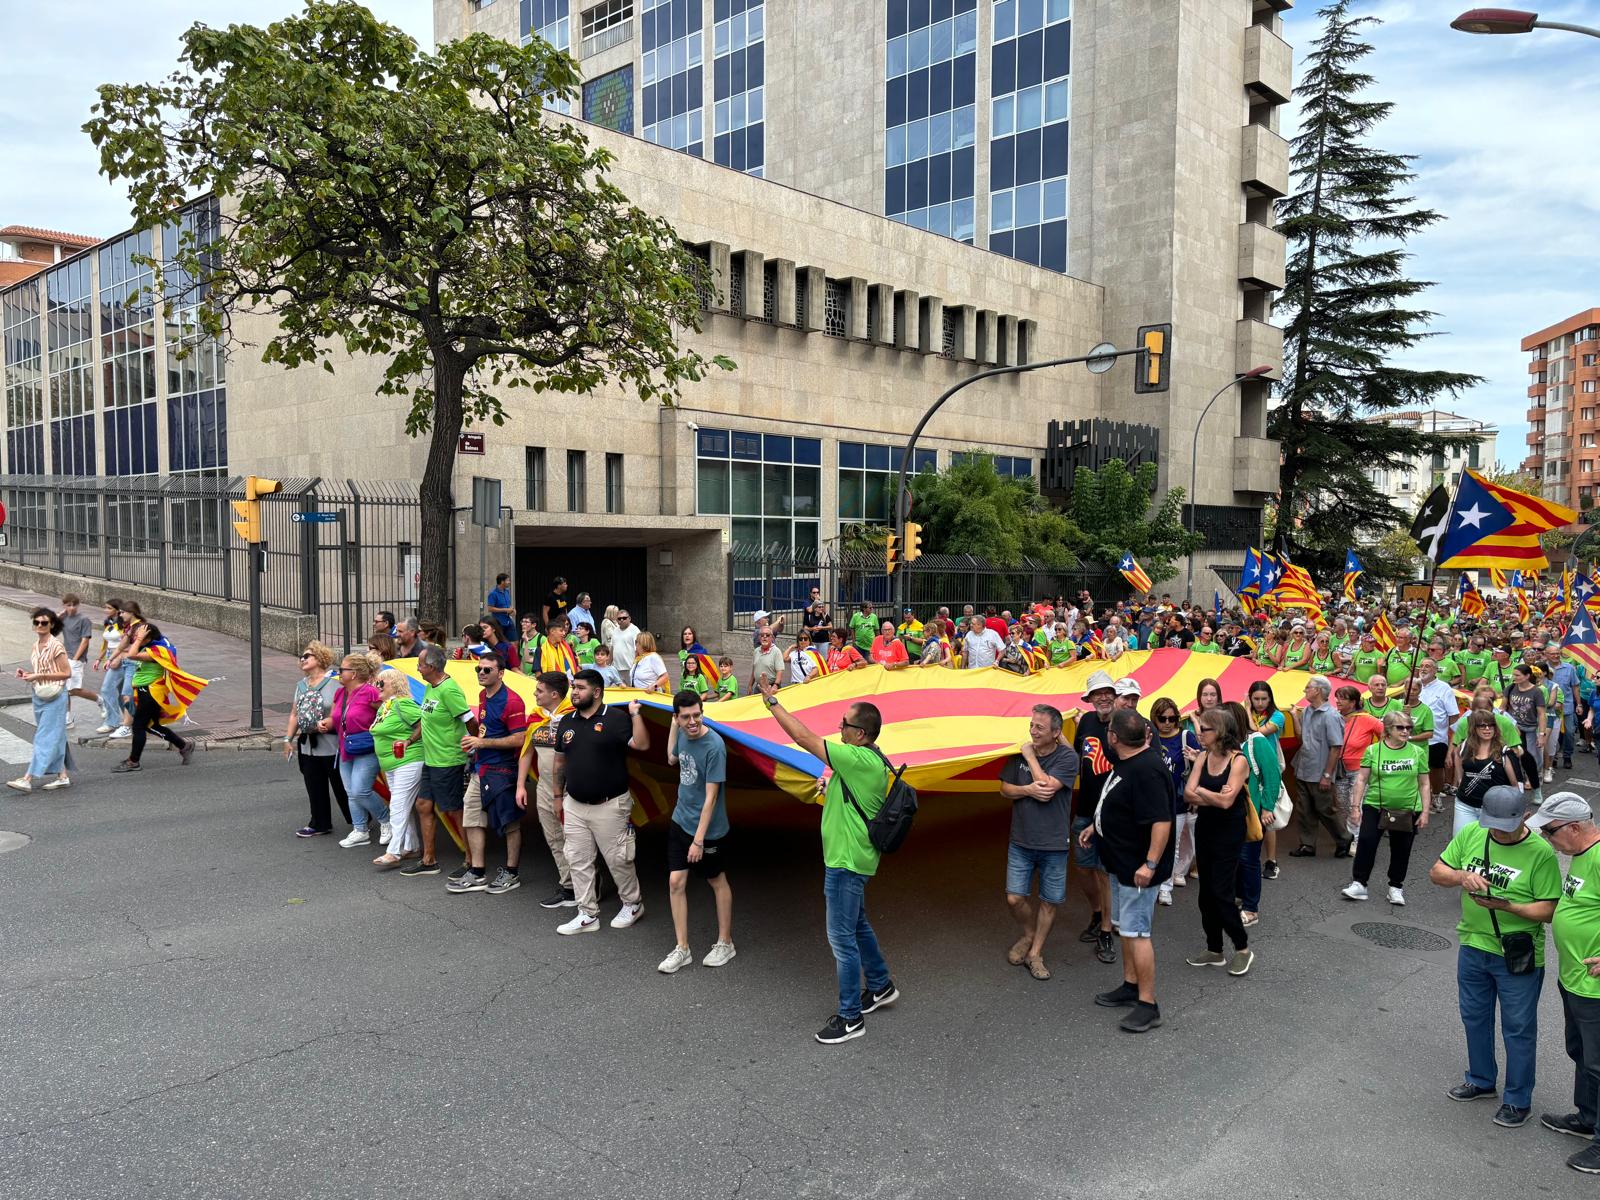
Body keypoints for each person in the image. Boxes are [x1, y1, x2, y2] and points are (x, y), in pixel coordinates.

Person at [756, 673, 898, 1045]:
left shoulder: (857, 759)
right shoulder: (866, 759)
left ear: (860, 734)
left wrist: (772, 702)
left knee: (841, 939)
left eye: (845, 724)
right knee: (858, 926)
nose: (839, 727)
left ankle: (851, 1017)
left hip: (846, 862)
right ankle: (881, 986)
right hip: (852, 859)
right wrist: (829, 784)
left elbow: (802, 738)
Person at [1429, 785, 1560, 1131]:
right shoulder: (1474, 833)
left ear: (1526, 817)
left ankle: (1518, 1100)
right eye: (1494, 823)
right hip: (1473, 945)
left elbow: (1548, 910)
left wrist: (1508, 906)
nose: (1499, 830)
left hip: (1516, 952)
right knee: (1474, 1017)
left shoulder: (1540, 853)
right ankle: (1481, 1080)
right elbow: (1437, 872)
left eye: (1507, 824)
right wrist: (1461, 876)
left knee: (1518, 1028)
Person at [1084, 707, 1174, 1033]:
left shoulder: (1147, 769)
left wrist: (1150, 864)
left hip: (1138, 870)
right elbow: (1118, 802)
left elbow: (1161, 821)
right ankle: (1130, 985)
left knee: (1138, 934)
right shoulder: (1129, 762)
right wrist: (1096, 826)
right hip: (1121, 864)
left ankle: (1148, 1005)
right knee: (1125, 929)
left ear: (1114, 737)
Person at [1526, 794, 1600, 1175]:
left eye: (1550, 831)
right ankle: (1587, 1117)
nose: (1547, 839)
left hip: (1595, 988)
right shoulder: (1581, 856)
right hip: (1573, 978)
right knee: (1581, 1053)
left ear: (1574, 828)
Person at [552, 668, 649, 934]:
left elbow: (641, 745)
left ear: (596, 692)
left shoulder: (616, 718)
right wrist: (558, 796)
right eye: (574, 687)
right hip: (574, 803)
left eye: (580, 688)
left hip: (610, 804)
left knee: (619, 859)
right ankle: (587, 914)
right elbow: (559, 762)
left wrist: (635, 715)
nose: (574, 692)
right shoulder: (566, 721)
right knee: (578, 860)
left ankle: (632, 904)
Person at [659, 690, 736, 973]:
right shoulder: (680, 731)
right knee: (675, 883)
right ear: (677, 718)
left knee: (716, 880)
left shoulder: (714, 746)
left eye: (696, 715)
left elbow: (711, 798)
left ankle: (725, 942)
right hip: (681, 820)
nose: (692, 721)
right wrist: (672, 726)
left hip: (708, 831)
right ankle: (682, 948)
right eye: (685, 717)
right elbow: (670, 758)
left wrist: (699, 841)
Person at [1003, 705, 1079, 981]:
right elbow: (1005, 789)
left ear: (1056, 733)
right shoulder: (1017, 753)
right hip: (1021, 840)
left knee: (1049, 901)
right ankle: (1028, 933)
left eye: (1040, 728)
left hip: (1054, 843)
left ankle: (1035, 952)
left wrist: (1029, 755)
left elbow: (1046, 787)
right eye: (1032, 725)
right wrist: (1025, 790)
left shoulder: (1068, 758)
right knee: (1014, 897)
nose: (1033, 731)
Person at [1183, 707, 1255, 976]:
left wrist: (1203, 791)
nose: (1199, 733)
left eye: (1204, 729)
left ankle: (1243, 949)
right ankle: (1214, 950)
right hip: (1206, 827)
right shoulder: (1203, 756)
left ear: (1220, 731)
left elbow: (1226, 802)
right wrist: (1211, 795)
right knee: (1205, 895)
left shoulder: (1239, 761)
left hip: (1229, 830)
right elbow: (1188, 795)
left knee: (1222, 894)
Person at [451, 652, 530, 895]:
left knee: (509, 823)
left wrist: (482, 743)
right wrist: (475, 741)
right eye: (479, 669)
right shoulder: (483, 695)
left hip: (502, 771)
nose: (481, 673)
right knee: (472, 817)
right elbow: (485, 730)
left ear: (501, 673)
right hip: (480, 769)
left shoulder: (513, 701)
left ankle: (511, 872)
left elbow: (520, 739)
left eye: (487, 670)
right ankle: (477, 871)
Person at [398, 645, 479, 878]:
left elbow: (470, 721)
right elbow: (425, 718)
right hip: (431, 759)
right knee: (423, 805)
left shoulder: (449, 690)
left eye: (420, 665)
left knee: (453, 809)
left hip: (447, 760)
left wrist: (474, 744)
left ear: (431, 667)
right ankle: (429, 859)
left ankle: (471, 861)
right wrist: (410, 740)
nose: (417, 668)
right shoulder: (429, 687)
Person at [1342, 710, 1431, 905]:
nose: (1406, 731)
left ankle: (1396, 887)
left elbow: (1424, 783)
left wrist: (1425, 811)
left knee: (1401, 849)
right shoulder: (1373, 750)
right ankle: (1359, 884)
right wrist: (1355, 807)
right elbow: (1361, 779)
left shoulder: (1418, 752)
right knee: (1366, 842)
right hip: (1375, 805)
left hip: (1408, 808)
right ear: (1388, 729)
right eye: (1400, 727)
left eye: (1409, 727)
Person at [514, 670, 578, 908]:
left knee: (575, 839)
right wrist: (521, 785)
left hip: (571, 788)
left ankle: (589, 884)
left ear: (554, 694)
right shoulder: (535, 717)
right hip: (544, 788)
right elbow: (526, 752)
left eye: (539, 691)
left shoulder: (575, 716)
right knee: (553, 837)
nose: (535, 694)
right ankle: (569, 886)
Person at [1073, 670, 1119, 965]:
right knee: (1083, 867)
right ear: (1090, 699)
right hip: (1085, 808)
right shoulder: (1087, 721)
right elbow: (1080, 755)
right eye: (1096, 693)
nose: (1102, 697)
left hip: (1112, 812)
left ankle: (1106, 929)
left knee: (1103, 871)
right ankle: (1098, 912)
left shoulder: (1124, 724)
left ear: (1114, 696)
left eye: (1107, 692)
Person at [115, 615, 198, 775]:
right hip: (146, 691)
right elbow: (126, 649)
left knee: (139, 726)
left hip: (151, 692)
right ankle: (184, 746)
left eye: (139, 636)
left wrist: (138, 640)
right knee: (152, 725)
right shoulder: (150, 646)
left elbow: (131, 655)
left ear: (148, 638)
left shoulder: (157, 651)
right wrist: (134, 636)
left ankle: (133, 761)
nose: (135, 638)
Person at [285, 641, 349, 837]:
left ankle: (358, 820)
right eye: (302, 657)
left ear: (320, 659)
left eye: (307, 656)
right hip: (308, 745)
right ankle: (320, 823)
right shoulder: (300, 685)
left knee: (341, 785)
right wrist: (287, 739)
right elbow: (295, 714)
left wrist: (328, 722)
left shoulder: (336, 684)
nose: (302, 659)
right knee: (314, 784)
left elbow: (342, 711)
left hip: (330, 743)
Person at [7, 608, 73, 792]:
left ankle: (27, 778)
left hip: (56, 696)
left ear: (52, 624)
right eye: (36, 622)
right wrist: (28, 674)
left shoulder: (56, 645)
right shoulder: (36, 645)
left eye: (44, 622)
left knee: (44, 737)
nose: (40, 625)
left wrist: (38, 675)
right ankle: (62, 776)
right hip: (40, 695)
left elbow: (67, 673)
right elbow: (41, 670)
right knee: (55, 736)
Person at [1226, 700, 1278, 928]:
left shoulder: (1256, 741)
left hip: (1252, 812)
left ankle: (1250, 908)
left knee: (1248, 860)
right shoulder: (1225, 746)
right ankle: (1238, 897)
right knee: (1235, 858)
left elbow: (1272, 775)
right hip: (1230, 813)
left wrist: (1267, 806)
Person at [327, 654, 387, 849]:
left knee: (361, 790)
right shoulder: (340, 693)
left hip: (367, 748)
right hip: (345, 748)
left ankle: (386, 820)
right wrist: (324, 724)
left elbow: (388, 712)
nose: (338, 672)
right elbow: (335, 718)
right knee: (351, 792)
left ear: (353, 674)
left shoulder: (370, 693)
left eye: (342, 669)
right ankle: (360, 829)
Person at [370, 668, 424, 868]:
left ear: (395, 684)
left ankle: (393, 851)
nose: (378, 687)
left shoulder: (404, 704)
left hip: (408, 762)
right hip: (393, 764)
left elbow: (424, 723)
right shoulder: (387, 706)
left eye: (381, 683)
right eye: (377, 683)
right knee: (402, 806)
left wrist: (409, 740)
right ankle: (411, 846)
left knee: (398, 806)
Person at [1290, 676, 1345, 857]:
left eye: (1308, 687)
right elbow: (1301, 738)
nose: (1305, 690)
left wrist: (1327, 775)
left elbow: (1336, 748)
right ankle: (1307, 845)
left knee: (1325, 810)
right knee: (1304, 810)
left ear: (1318, 690)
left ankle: (1343, 839)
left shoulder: (1331, 716)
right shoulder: (1306, 711)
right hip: (1304, 768)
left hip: (1320, 772)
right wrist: (1294, 717)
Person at [1454, 710, 1525, 836]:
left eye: (1491, 725)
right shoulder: (1465, 746)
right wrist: (1459, 779)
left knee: (1487, 845)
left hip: (1493, 810)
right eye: (1482, 726)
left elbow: (1516, 784)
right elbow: (1457, 756)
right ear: (1474, 728)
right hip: (1464, 805)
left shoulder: (1504, 751)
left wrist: (1517, 810)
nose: (1487, 729)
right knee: (1460, 841)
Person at [1333, 685, 1385, 848]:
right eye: (1337, 697)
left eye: (1342, 698)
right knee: (1342, 806)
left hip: (1359, 771)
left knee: (1355, 804)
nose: (1338, 701)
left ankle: (1355, 840)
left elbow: (1385, 736)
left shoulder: (1367, 719)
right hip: (1338, 770)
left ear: (1353, 702)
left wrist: (1374, 757)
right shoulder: (1334, 717)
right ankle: (1348, 835)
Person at [1246, 681, 1287, 879]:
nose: (1260, 703)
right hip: (1250, 769)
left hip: (1270, 770)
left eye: (1264, 698)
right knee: (1252, 812)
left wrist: (1246, 709)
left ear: (1270, 698)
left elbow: (1256, 733)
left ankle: (1271, 861)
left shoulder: (1277, 716)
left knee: (1269, 816)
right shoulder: (1250, 714)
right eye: (1256, 699)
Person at [1150, 698, 1188, 907]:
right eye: (1162, 718)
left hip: (1178, 802)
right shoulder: (1149, 738)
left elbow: (1202, 761)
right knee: (1152, 843)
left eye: (1172, 718)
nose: (1167, 722)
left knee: (1171, 846)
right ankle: (1152, 881)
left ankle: (1166, 886)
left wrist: (1196, 755)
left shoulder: (1185, 737)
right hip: (1152, 801)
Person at [1416, 657, 1461, 811]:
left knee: (1436, 769)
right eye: (1421, 666)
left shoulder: (1444, 688)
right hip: (1413, 739)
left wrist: (1450, 735)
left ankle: (1435, 795)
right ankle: (1418, 798)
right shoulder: (1413, 685)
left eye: (1428, 666)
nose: (1423, 668)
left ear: (1435, 670)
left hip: (1436, 738)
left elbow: (1453, 715)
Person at [94, 598, 134, 738]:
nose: (106, 610)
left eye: (109, 608)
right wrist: (100, 658)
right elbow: (105, 644)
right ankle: (128, 720)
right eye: (105, 607)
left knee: (107, 689)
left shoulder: (123, 624)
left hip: (122, 657)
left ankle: (112, 722)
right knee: (122, 692)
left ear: (118, 610)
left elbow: (127, 643)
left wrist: (117, 658)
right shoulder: (108, 623)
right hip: (112, 655)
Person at [1504, 663, 1548, 789]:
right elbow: (1503, 708)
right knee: (1514, 754)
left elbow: (1541, 714)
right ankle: (1519, 777)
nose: (1514, 677)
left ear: (1527, 676)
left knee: (1531, 755)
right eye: (1514, 675)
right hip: (1514, 728)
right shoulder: (1511, 688)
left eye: (1517, 675)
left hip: (1531, 728)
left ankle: (1533, 778)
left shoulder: (1536, 691)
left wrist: (1542, 734)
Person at [59, 594, 97, 729]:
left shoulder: (84, 620)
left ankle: (100, 700)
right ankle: (67, 719)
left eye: (74, 605)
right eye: (68, 605)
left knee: (74, 690)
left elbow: (85, 640)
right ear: (63, 605)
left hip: (77, 658)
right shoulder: (63, 619)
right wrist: (59, 615)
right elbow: (50, 629)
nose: (72, 608)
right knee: (64, 689)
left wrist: (75, 658)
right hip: (64, 657)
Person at [750, 624, 785, 693]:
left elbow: (779, 671)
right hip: (758, 687)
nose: (764, 637)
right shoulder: (756, 651)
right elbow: (754, 670)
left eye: (767, 635)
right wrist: (750, 685)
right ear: (759, 638)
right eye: (762, 635)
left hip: (771, 687)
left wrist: (776, 685)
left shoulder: (776, 651)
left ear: (772, 638)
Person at [485, 572, 515, 643]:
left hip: (509, 621)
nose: (509, 582)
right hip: (499, 623)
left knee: (514, 642)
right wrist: (505, 610)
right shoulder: (493, 594)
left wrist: (513, 610)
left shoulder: (506, 592)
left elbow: (509, 605)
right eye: (507, 580)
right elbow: (490, 608)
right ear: (502, 582)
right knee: (500, 642)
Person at [608, 608, 640, 676]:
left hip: (630, 668)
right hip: (616, 668)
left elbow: (638, 649)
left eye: (624, 618)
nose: (621, 620)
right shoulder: (615, 630)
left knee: (631, 687)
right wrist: (608, 664)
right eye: (619, 619)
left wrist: (635, 666)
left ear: (629, 618)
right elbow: (612, 648)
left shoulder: (635, 630)